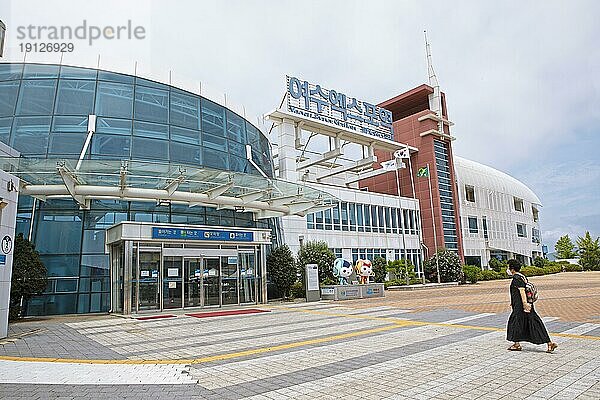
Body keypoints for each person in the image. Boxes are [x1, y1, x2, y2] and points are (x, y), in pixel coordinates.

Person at [506, 259, 558, 353]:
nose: (508, 269)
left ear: (512, 269)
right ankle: (517, 344)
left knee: (516, 323)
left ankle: (518, 344)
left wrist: (525, 304)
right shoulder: (522, 277)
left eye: (508, 267)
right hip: (523, 305)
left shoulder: (516, 278)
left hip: (521, 306)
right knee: (533, 323)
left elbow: (522, 291)